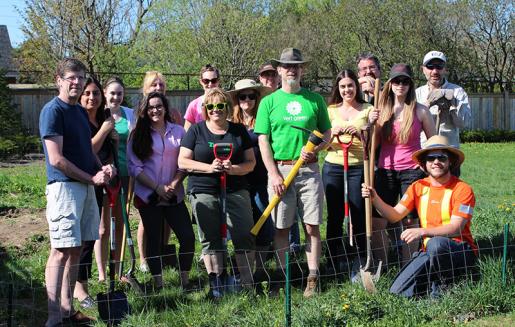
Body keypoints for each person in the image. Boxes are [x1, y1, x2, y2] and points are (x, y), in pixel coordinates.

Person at [39, 58, 114, 326]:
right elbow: (57, 159)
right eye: (71, 77)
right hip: (64, 188)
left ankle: (68, 309)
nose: (77, 82)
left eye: (80, 77)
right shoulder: (53, 111)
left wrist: (102, 169)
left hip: (85, 186)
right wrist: (91, 177)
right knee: (61, 249)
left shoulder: (79, 113)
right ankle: (52, 317)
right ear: (58, 79)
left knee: (77, 248)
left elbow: (87, 151)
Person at [254, 48, 331, 298]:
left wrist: (316, 149)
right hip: (280, 170)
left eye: (296, 66)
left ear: (302, 69)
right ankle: (284, 276)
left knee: (311, 226)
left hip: (308, 171)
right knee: (281, 227)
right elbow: (263, 141)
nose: (292, 70)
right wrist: (273, 174)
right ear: (279, 70)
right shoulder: (268, 102)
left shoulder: (314, 100)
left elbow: (327, 135)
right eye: (287, 66)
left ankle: (312, 276)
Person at [362, 135, 477, 298]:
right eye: (431, 158)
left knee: (437, 244)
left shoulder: (462, 189)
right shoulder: (418, 187)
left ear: (450, 161)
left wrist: (422, 232)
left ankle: (443, 290)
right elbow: (394, 216)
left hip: (460, 250)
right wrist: (374, 198)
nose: (436, 161)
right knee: (397, 291)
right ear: (424, 164)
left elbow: (456, 228)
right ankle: (429, 284)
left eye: (441, 157)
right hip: (429, 250)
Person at [178, 88, 256, 298]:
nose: (216, 110)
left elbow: (251, 163)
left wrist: (233, 169)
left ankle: (247, 283)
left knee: (243, 234)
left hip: (235, 188)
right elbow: (183, 161)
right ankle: (217, 283)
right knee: (210, 237)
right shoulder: (196, 131)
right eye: (210, 106)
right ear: (205, 109)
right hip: (204, 189)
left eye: (220, 106)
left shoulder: (238, 131)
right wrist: (209, 168)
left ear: (228, 107)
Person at [127, 92, 195, 290]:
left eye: (158, 106)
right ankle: (158, 283)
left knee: (188, 237)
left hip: (174, 194)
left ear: (165, 108)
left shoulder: (179, 132)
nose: (155, 110)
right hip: (149, 196)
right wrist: (157, 187)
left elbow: (185, 162)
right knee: (154, 239)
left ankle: (185, 281)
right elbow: (134, 167)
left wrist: (173, 184)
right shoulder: (138, 134)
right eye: (150, 108)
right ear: (144, 111)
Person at [373, 64, 436, 267]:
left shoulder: (421, 111)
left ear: (410, 84)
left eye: (405, 81)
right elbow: (372, 146)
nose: (401, 85)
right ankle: (382, 263)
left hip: (411, 173)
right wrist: (372, 125)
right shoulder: (381, 111)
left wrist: (424, 166)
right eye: (397, 81)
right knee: (378, 221)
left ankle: (408, 265)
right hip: (385, 171)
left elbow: (434, 144)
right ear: (390, 84)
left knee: (410, 221)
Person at [322, 69, 379, 276]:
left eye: (351, 86)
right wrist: (332, 133)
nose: (347, 90)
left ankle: (361, 258)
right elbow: (323, 145)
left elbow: (374, 143)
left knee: (358, 212)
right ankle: (333, 259)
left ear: (356, 86)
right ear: (338, 88)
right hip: (333, 166)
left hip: (358, 167)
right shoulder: (329, 111)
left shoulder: (367, 109)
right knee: (335, 215)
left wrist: (364, 130)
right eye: (343, 86)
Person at [73, 76, 115, 309]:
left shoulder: (102, 118)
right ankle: (79, 288)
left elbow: (106, 152)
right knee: (79, 236)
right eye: (87, 93)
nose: (92, 97)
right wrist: (105, 130)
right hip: (79, 181)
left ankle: (81, 282)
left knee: (91, 234)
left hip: (99, 183)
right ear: (81, 96)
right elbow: (87, 149)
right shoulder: (78, 119)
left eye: (96, 93)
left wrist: (110, 167)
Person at [229, 79, 274, 283]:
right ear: (237, 100)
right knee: (242, 227)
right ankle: (242, 270)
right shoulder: (231, 124)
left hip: (261, 179)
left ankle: (260, 269)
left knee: (263, 222)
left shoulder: (265, 119)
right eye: (242, 96)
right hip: (238, 181)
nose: (247, 100)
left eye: (251, 96)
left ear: (257, 98)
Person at [137, 70, 182, 272]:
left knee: (168, 220)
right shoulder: (140, 114)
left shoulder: (173, 113)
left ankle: (162, 252)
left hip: (171, 178)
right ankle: (144, 258)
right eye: (153, 85)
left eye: (161, 85)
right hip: (148, 179)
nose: (158, 88)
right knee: (146, 221)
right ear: (146, 89)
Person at [94, 76, 133, 280]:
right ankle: (101, 273)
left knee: (120, 223)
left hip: (125, 175)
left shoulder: (130, 115)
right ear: (105, 94)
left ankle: (117, 269)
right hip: (104, 176)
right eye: (112, 93)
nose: (115, 97)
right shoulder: (100, 116)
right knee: (102, 228)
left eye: (119, 93)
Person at [416, 51, 471, 175]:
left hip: (449, 155)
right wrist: (427, 105)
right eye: (430, 67)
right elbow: (411, 126)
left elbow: (464, 123)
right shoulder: (417, 94)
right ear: (423, 69)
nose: (435, 71)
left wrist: (453, 106)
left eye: (439, 67)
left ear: (445, 69)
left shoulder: (457, 91)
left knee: (449, 194)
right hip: (424, 154)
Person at [183, 64, 221, 131]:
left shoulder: (227, 102)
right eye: (206, 81)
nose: (210, 84)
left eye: (213, 80)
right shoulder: (193, 105)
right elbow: (187, 131)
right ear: (201, 82)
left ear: (218, 81)